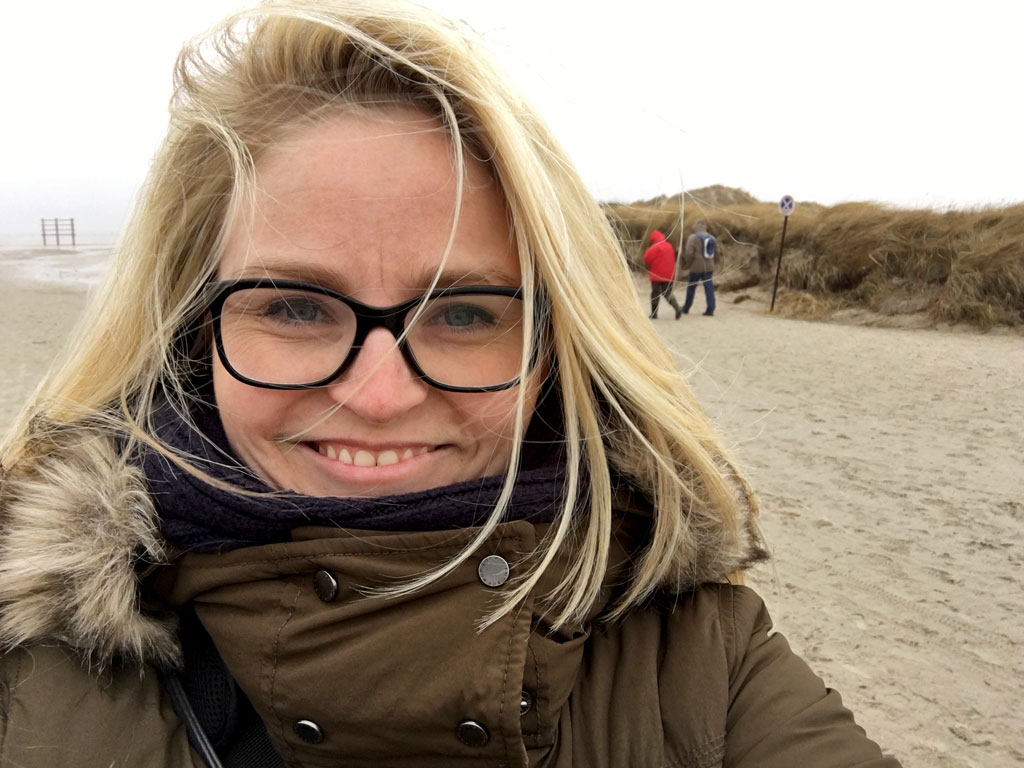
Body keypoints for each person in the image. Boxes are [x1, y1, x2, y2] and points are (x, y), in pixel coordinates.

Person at [0, 2, 902, 766]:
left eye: (465, 314)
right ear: (195, 331)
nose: (381, 395)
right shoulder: (31, 664)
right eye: (297, 308)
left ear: (556, 345)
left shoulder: (704, 669)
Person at [642, 229, 682, 319]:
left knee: (655, 294)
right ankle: (677, 308)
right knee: (667, 293)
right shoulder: (669, 246)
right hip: (669, 275)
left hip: (657, 275)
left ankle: (654, 313)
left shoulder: (655, 247)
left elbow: (646, 259)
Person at [680, 218, 717, 316]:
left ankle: (686, 308)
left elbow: (688, 252)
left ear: (695, 227)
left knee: (691, 288)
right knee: (709, 288)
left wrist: (688, 264)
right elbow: (717, 253)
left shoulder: (693, 237)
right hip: (709, 267)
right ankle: (711, 309)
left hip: (695, 268)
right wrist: (712, 263)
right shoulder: (712, 238)